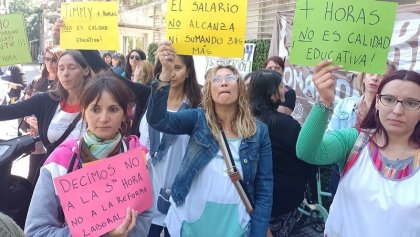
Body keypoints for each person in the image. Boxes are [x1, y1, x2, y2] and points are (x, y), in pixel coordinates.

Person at [146, 42, 273, 237]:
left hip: (235, 227)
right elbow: (158, 119)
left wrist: (258, 232)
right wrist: (165, 74)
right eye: (217, 79)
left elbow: (264, 189)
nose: (223, 82)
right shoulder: (198, 119)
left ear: (240, 88)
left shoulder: (259, 132)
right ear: (209, 91)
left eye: (230, 78)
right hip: (188, 223)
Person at [296, 60, 420, 236]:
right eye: (389, 99)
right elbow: (307, 152)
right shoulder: (355, 141)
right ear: (377, 102)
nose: (398, 110)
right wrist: (324, 101)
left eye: (411, 103)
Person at [25, 75, 153, 236]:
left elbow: (146, 214)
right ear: (84, 112)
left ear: (124, 115)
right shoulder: (59, 163)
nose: (104, 118)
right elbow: (36, 231)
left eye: (113, 109)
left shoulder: (140, 159)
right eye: (95, 109)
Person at [0, 50, 92, 185]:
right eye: (61, 68)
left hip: (88, 180)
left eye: (72, 67)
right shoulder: (45, 100)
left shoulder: (98, 102)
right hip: (53, 179)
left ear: (85, 71)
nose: (65, 73)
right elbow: (7, 112)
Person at [248, 70, 317, 237]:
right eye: (281, 86)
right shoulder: (286, 125)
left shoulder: (244, 120)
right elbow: (308, 159)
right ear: (272, 94)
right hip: (282, 200)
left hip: (250, 198)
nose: (285, 90)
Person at [139, 54, 201, 237]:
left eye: (178, 68)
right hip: (146, 195)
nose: (172, 74)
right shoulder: (149, 100)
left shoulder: (197, 108)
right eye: (168, 67)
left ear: (188, 71)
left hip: (180, 199)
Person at [327, 62, 396, 197]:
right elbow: (330, 136)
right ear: (363, 77)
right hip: (341, 170)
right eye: (371, 73)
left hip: (373, 177)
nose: (375, 78)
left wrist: (368, 125)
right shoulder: (345, 104)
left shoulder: (394, 113)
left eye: (382, 75)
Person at [21, 46, 65, 184]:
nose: (50, 63)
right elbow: (23, 104)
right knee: (33, 175)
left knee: (50, 177)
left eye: (53, 59)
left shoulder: (65, 83)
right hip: (34, 136)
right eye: (47, 59)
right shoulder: (37, 80)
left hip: (54, 137)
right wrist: (27, 118)